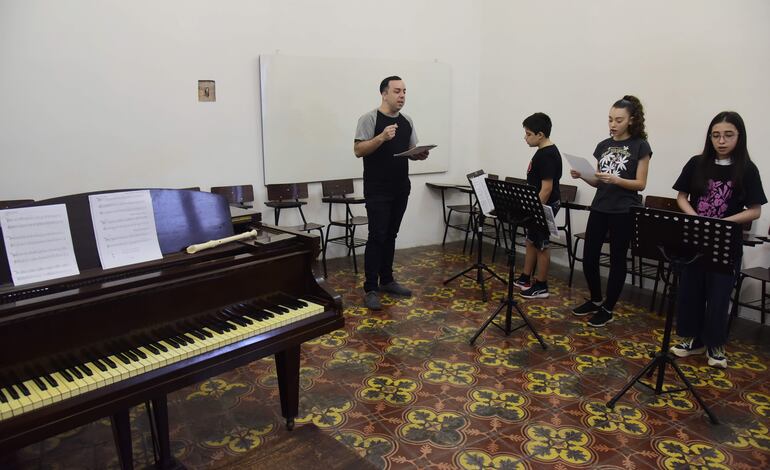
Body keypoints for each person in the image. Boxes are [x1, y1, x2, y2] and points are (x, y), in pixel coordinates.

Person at [669, 111, 766, 368]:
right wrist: (695, 216)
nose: (721, 141)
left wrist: (723, 222)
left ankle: (715, 344)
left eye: (728, 135)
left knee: (719, 294)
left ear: (739, 137)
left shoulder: (746, 168)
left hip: (726, 241)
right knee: (691, 290)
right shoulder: (696, 163)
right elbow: (682, 196)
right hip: (696, 238)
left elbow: (755, 210)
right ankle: (694, 340)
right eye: (716, 135)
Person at [570, 95, 652, 327]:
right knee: (589, 256)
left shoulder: (640, 146)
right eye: (610, 120)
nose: (613, 125)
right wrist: (584, 176)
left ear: (631, 120)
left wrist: (617, 180)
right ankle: (596, 299)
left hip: (624, 210)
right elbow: (599, 182)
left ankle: (608, 307)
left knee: (617, 259)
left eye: (618, 120)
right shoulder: (603, 146)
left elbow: (640, 184)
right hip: (600, 206)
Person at [354, 76, 429, 311]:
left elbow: (409, 149)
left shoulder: (407, 121)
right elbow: (358, 150)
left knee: (391, 234)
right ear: (384, 93)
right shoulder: (369, 119)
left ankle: (386, 280)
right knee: (377, 235)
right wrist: (381, 137)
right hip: (377, 189)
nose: (402, 96)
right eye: (397, 91)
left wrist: (418, 154)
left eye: (405, 91)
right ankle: (370, 288)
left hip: (400, 187)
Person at [512, 112, 562, 299]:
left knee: (541, 243)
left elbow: (547, 188)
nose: (525, 137)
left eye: (528, 134)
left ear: (540, 135)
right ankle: (526, 277)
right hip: (538, 203)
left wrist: (535, 210)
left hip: (545, 205)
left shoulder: (548, 154)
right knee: (530, 240)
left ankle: (541, 284)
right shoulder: (542, 152)